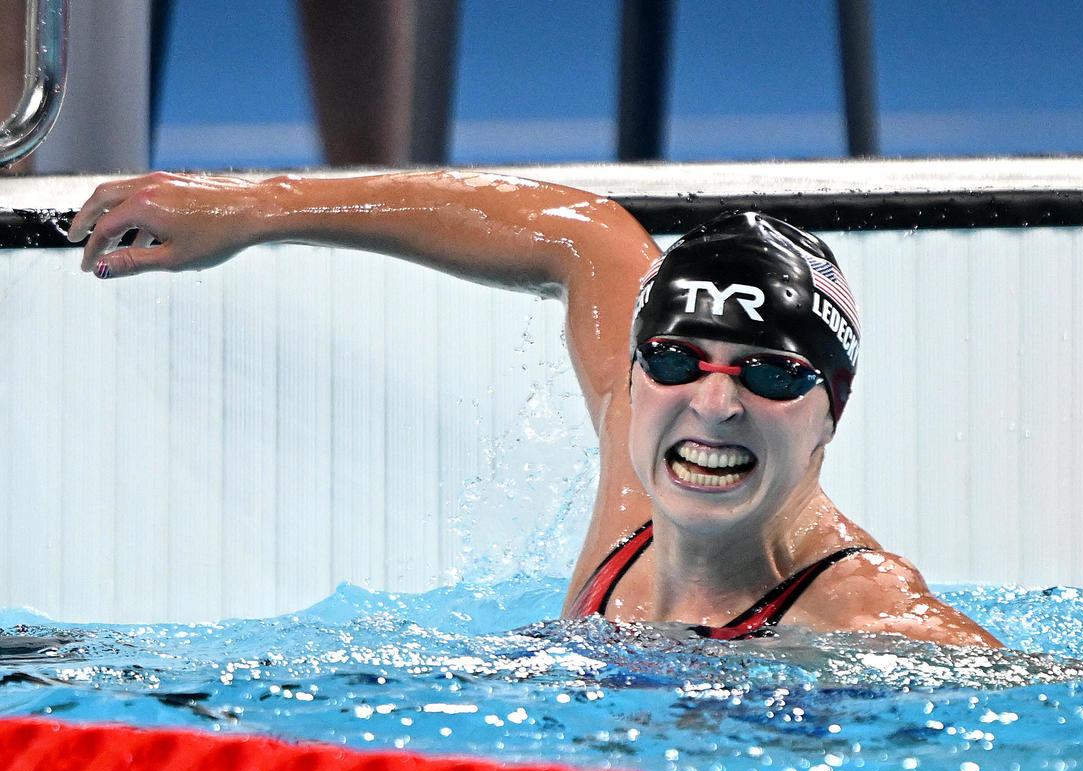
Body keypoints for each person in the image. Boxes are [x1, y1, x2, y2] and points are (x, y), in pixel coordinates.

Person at [68, 169, 1002, 648]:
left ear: (831, 412)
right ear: (633, 377)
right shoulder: (636, 485)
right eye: (679, 359)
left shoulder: (868, 620)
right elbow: (583, 235)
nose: (714, 404)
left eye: (771, 375)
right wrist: (258, 205)